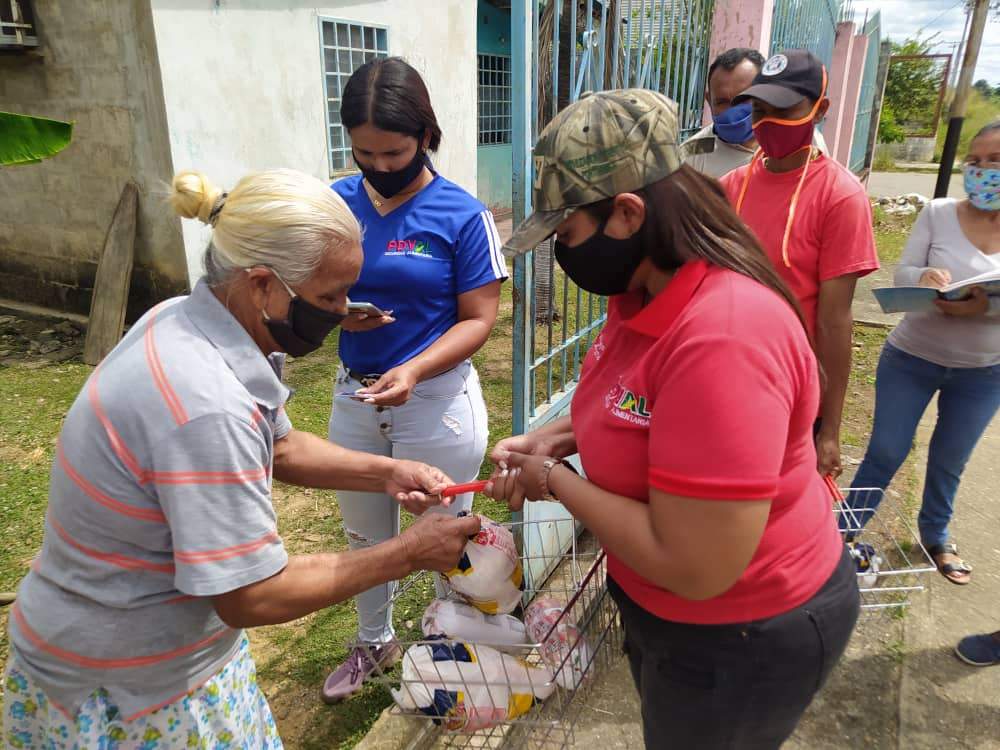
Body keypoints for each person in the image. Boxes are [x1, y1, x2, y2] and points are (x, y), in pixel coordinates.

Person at [2, 168, 481, 748]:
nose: (341, 313)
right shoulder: (205, 404)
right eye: (329, 296)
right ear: (262, 285)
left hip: (131, 650)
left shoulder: (188, 320)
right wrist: (409, 551)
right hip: (130, 689)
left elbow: (279, 444)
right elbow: (251, 593)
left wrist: (387, 471)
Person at [489, 88, 859, 749]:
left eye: (566, 236)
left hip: (739, 631)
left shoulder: (723, 338)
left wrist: (556, 478)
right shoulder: (643, 290)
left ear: (627, 214)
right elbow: (643, 407)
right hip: (675, 618)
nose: (563, 257)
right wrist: (557, 436)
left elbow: (695, 566)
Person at [322, 57, 508, 702]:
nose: (377, 165)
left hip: (435, 399)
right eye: (363, 152)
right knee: (365, 534)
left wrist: (415, 366)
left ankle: (444, 637)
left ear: (425, 135)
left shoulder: (462, 214)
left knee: (442, 528)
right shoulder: (334, 203)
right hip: (356, 394)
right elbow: (304, 289)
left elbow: (479, 318)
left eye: (392, 151)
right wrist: (334, 314)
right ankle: (374, 640)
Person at [843, 122, 1000, 585]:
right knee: (886, 451)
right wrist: (925, 277)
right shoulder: (939, 211)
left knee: (951, 458)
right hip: (911, 357)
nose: (982, 171)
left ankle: (937, 534)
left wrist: (985, 312)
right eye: (975, 161)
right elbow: (904, 271)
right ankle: (842, 531)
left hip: (983, 373)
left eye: (995, 161)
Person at [720, 49, 879, 479]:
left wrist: (829, 428)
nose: (766, 122)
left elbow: (834, 323)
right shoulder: (730, 188)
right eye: (759, 109)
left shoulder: (840, 197)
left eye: (783, 110)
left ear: (820, 109)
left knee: (774, 501)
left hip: (792, 389)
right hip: (726, 374)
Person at [681, 47, 827, 179]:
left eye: (743, 99)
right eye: (721, 102)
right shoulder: (691, 156)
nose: (733, 112)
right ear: (708, 100)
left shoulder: (801, 140)